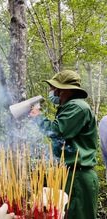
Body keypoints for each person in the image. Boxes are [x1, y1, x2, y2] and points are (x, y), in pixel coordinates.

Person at [29, 70, 98, 219]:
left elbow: (57, 131)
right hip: (69, 173)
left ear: (64, 90)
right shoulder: (69, 107)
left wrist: (38, 117)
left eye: (54, 88)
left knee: (77, 215)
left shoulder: (77, 107)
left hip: (78, 176)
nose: (51, 91)